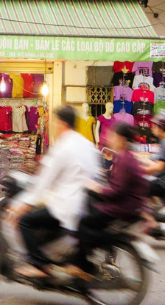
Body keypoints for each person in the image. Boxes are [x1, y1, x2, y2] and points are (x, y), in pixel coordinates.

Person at [9, 106, 99, 279]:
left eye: (56, 122)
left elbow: (43, 182)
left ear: (62, 123)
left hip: (66, 206)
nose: (54, 126)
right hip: (84, 203)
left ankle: (39, 265)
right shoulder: (86, 144)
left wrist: (22, 206)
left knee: (25, 221)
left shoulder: (63, 148)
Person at [74, 122, 148, 277]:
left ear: (121, 139)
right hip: (127, 203)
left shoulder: (125, 159)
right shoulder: (124, 157)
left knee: (82, 223)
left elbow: (117, 191)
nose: (109, 138)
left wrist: (98, 188)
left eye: (112, 135)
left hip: (122, 206)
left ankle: (84, 264)